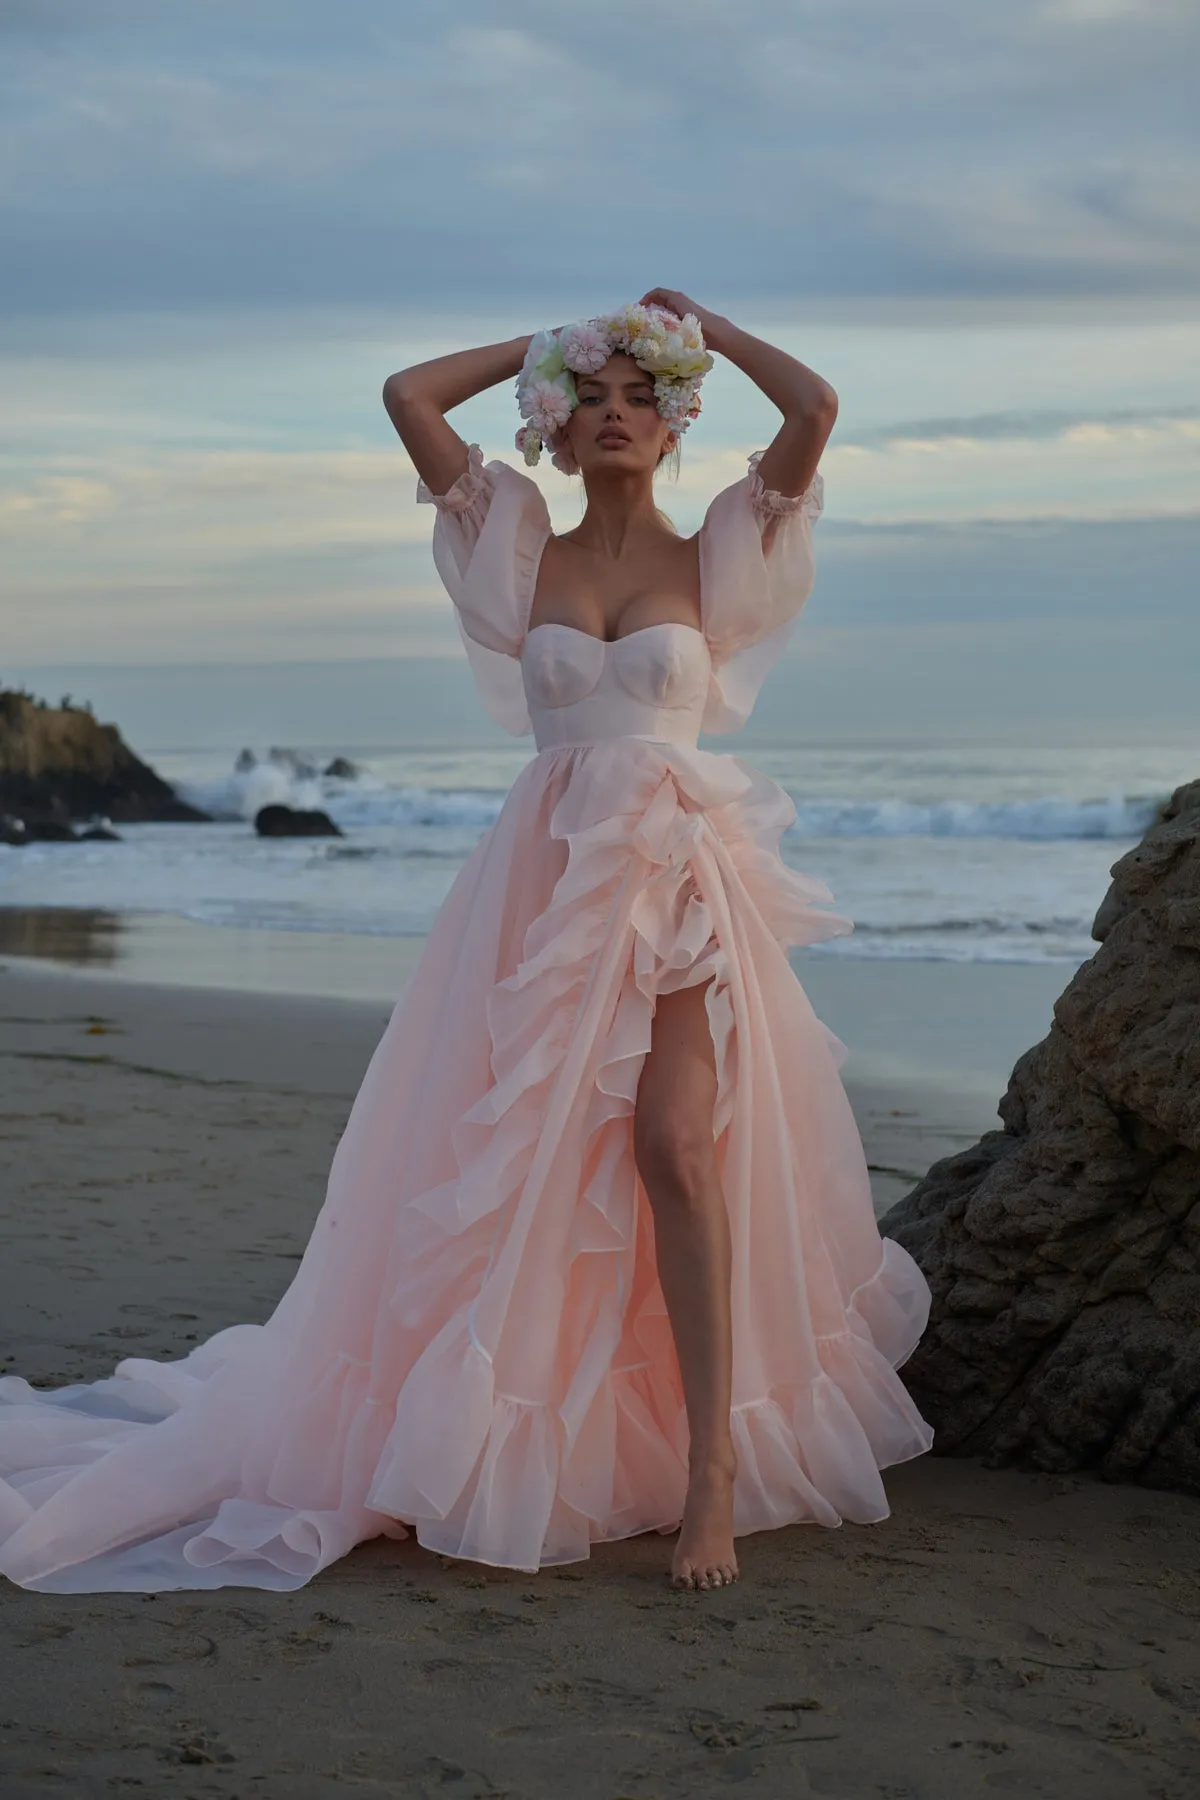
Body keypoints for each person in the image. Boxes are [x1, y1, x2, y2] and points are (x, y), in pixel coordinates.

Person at [0, 292, 934, 1599]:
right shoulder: (513, 545)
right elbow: (407, 396)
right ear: (560, 424)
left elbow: (817, 410)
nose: (618, 415)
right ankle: (509, 1431)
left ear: (673, 426)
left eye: (641, 398)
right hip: (543, 882)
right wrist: (540, 348)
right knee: (529, 1167)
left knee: (675, 1148)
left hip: (671, 870)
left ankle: (714, 1470)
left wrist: (701, 324)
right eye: (593, 398)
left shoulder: (722, 548)